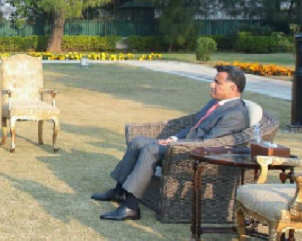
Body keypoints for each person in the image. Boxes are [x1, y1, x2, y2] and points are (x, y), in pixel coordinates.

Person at [92, 64, 250, 221]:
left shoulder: (235, 114)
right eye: (213, 81)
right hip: (184, 145)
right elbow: (193, 126)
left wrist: (175, 145)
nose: (211, 85)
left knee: (150, 149)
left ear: (232, 88)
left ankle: (130, 207)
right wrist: (173, 138)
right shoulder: (215, 103)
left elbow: (208, 143)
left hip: (197, 156)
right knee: (138, 141)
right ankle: (119, 191)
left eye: (217, 82)